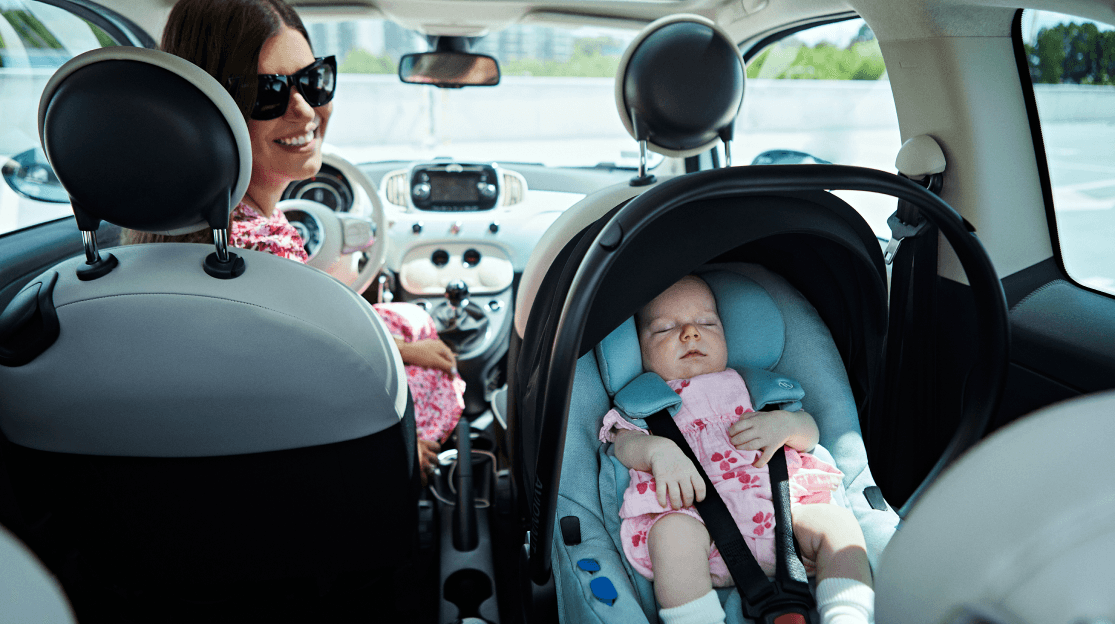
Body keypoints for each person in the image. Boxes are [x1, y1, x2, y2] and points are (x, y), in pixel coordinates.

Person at [122, 0, 463, 478]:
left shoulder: (159, 235)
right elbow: (326, 382)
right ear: (207, 111)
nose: (305, 110)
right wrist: (406, 445)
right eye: (268, 93)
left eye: (313, 80)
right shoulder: (258, 249)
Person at [600, 275, 874, 624]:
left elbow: (809, 434)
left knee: (836, 524)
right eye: (666, 328)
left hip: (785, 513)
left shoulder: (757, 388)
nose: (690, 333)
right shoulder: (646, 404)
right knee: (671, 537)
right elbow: (623, 443)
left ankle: (848, 616)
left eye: (705, 323)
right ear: (639, 349)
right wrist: (658, 452)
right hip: (699, 522)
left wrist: (787, 426)